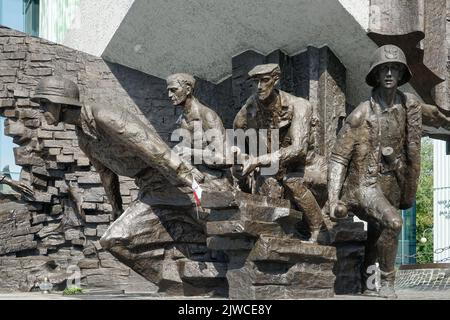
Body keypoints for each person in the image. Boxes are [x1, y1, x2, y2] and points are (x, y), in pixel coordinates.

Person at [31, 76, 213, 223]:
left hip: (167, 178)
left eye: (45, 103)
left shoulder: (103, 115)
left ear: (61, 103)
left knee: (117, 239)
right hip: (147, 186)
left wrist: (190, 179)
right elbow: (106, 174)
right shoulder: (83, 138)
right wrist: (116, 209)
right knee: (117, 239)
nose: (41, 109)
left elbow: (151, 146)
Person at [327, 45, 423, 298]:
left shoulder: (409, 105)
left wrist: (408, 191)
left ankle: (366, 284)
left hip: (392, 182)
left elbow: (414, 151)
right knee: (393, 222)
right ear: (376, 75)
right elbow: (338, 158)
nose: (390, 73)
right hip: (365, 184)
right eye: (384, 69)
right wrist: (333, 198)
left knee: (376, 233)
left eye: (395, 68)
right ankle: (388, 282)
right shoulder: (361, 114)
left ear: (402, 74)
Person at [233, 64, 326, 243]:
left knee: (293, 182)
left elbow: (299, 150)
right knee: (264, 189)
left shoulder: (299, 105)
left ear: (275, 80)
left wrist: (258, 160)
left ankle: (317, 229)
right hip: (272, 168)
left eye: (265, 80)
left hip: (306, 166)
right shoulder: (251, 106)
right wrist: (240, 154)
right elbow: (237, 130)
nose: (259, 86)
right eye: (255, 82)